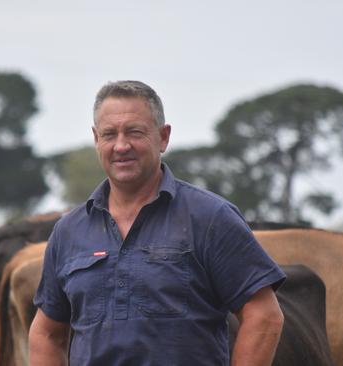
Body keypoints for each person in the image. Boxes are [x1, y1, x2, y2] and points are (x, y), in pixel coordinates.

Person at [29, 80, 286, 366]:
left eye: (135, 132)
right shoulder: (69, 231)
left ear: (163, 137)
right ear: (96, 139)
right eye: (109, 134)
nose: (121, 145)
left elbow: (264, 315)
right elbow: (47, 333)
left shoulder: (211, 218)